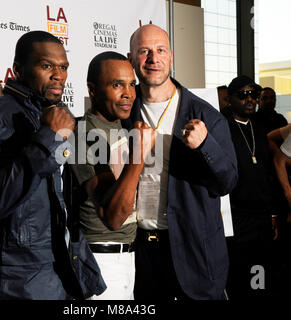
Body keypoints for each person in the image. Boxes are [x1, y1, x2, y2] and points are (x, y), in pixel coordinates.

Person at [0, 31, 105, 300]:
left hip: (55, 270)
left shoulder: (51, 114)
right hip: (17, 281)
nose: (59, 75)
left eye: (63, 67)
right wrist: (48, 138)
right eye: (46, 66)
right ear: (18, 69)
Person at [122, 24, 238, 300]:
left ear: (171, 56)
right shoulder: (123, 112)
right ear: (131, 59)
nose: (154, 58)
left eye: (161, 50)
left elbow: (228, 181)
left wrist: (205, 145)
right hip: (141, 251)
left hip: (193, 249)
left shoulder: (206, 115)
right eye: (145, 51)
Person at [69, 51, 156, 300]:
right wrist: (138, 155)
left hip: (129, 257)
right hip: (99, 261)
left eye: (131, 84)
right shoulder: (81, 134)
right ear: (93, 90)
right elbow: (113, 217)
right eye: (117, 84)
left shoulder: (124, 129)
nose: (128, 93)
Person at [223, 75, 278, 299]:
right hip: (236, 217)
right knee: (238, 273)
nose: (250, 100)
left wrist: (273, 213)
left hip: (262, 217)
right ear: (229, 99)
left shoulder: (260, 128)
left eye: (254, 95)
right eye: (243, 95)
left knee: (261, 270)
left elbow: (268, 174)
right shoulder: (222, 127)